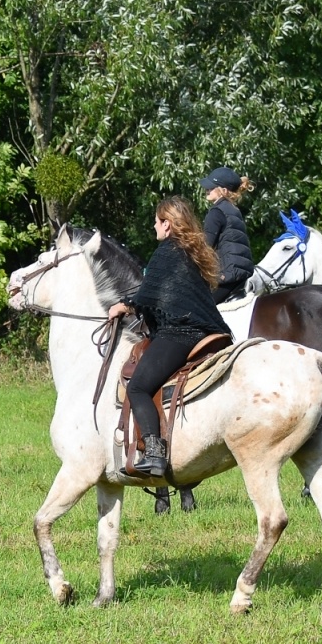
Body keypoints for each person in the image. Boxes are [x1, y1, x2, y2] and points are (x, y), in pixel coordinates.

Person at [106, 196, 232, 478]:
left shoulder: (167, 252)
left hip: (181, 333)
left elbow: (148, 295)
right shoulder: (193, 251)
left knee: (137, 387)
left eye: (156, 221)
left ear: (167, 224)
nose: (153, 226)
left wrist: (123, 306)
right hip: (209, 331)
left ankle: (154, 452)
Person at [200, 165, 255, 303]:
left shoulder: (216, 212)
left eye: (211, 187)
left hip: (225, 277)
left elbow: (204, 248)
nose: (207, 190)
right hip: (241, 277)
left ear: (223, 191)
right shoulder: (234, 210)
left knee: (194, 309)